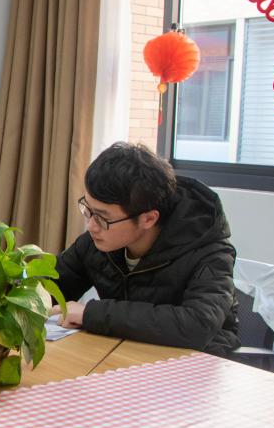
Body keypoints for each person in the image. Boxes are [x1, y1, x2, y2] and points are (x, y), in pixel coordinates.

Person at [51, 142, 239, 356]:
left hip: (196, 364)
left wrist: (91, 314)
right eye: (88, 209)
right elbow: (52, 286)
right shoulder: (97, 241)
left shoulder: (210, 251)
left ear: (148, 219)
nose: (91, 225)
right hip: (123, 354)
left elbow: (198, 324)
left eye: (103, 217)